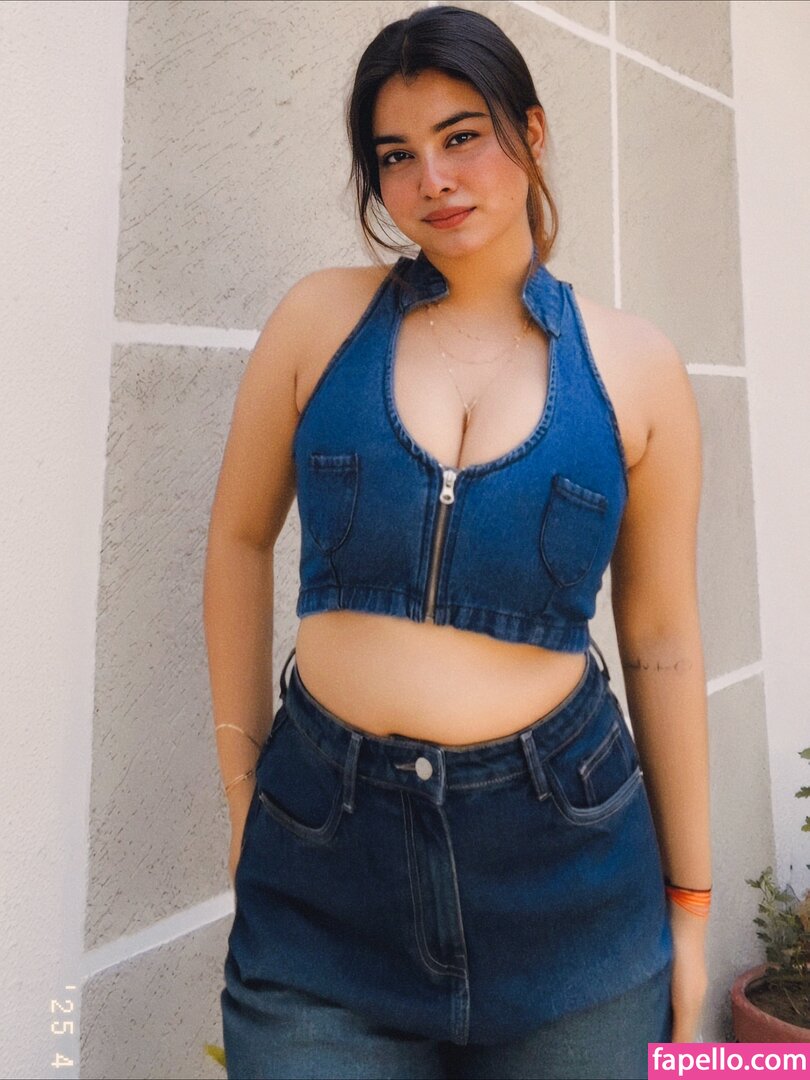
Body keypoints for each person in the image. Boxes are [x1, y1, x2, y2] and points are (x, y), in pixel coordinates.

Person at [204, 6, 711, 1078]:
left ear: (532, 131)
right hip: (325, 877)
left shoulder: (636, 366)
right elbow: (240, 542)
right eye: (396, 155)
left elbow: (662, 636)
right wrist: (243, 788)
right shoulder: (319, 322)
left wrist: (694, 904)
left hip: (567, 881)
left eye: (461, 136)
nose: (432, 178)